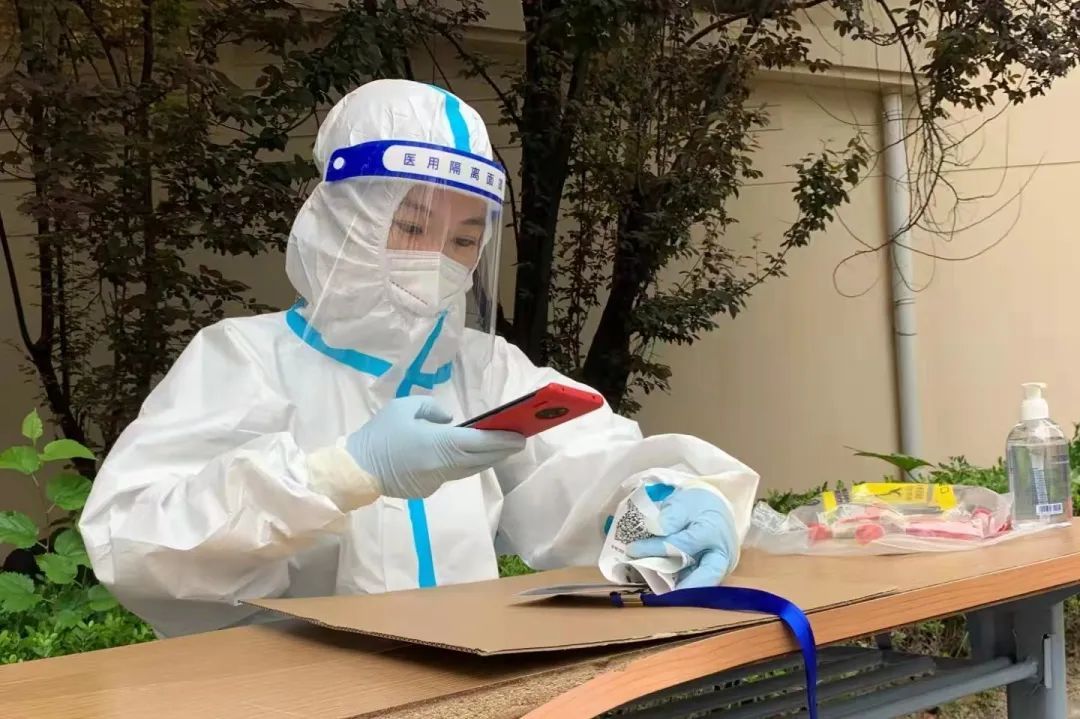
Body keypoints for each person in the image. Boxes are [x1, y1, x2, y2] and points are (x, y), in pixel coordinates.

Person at [79, 79, 760, 638]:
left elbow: (585, 467)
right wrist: (342, 473)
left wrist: (674, 500)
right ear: (342, 220)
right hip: (296, 696)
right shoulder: (244, 359)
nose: (437, 259)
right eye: (410, 226)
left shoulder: (481, 368)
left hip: (467, 687)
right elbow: (136, 543)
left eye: (464, 240)